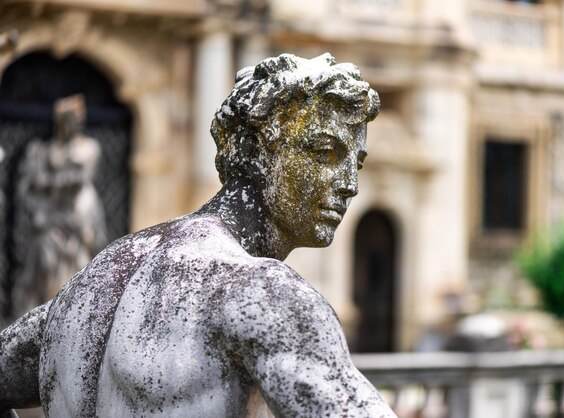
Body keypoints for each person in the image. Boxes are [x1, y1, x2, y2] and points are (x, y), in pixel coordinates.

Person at [0, 53, 395, 417]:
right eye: (325, 153)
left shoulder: (88, 286)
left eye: (354, 163)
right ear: (253, 149)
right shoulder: (264, 295)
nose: (350, 185)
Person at [12, 95, 107, 317]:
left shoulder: (88, 148)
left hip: (78, 214)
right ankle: (45, 313)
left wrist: (47, 181)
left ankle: (76, 313)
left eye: (74, 119)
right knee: (45, 264)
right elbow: (30, 187)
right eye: (66, 119)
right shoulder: (44, 150)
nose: (70, 124)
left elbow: (80, 178)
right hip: (50, 215)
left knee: (81, 263)